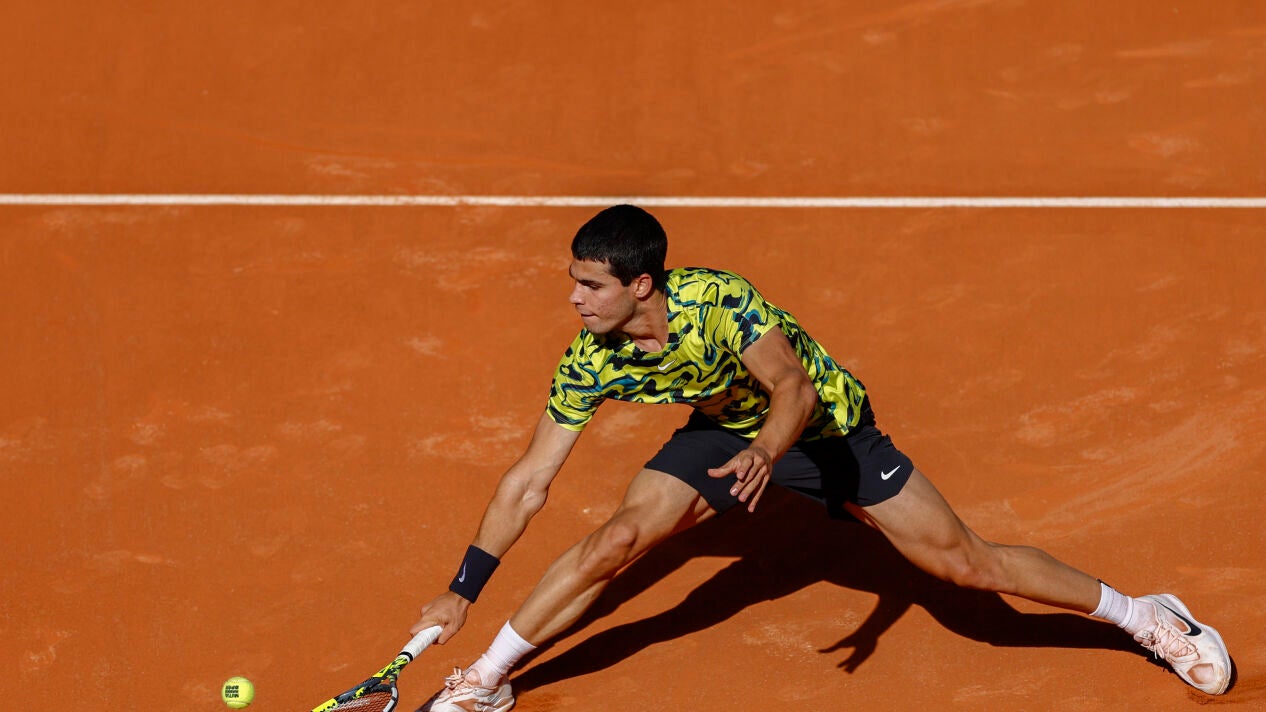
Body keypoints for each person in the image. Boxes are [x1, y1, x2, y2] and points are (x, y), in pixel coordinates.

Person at [410, 205, 1233, 710]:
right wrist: (461, 590)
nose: (574, 298)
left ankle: (1148, 617)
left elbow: (793, 388)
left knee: (967, 566)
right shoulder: (590, 359)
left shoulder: (718, 300)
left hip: (824, 430)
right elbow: (529, 480)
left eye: (590, 285)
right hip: (724, 433)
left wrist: (769, 453)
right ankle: (486, 679)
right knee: (619, 539)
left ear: (642, 286)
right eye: (574, 281)